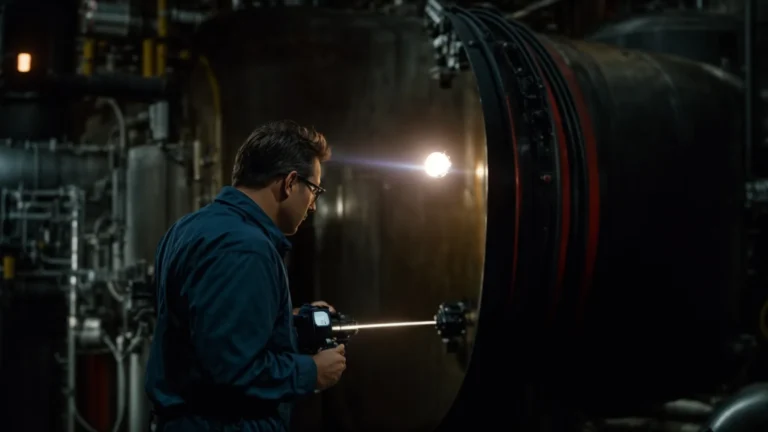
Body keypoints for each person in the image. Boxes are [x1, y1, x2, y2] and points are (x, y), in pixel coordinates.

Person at [145, 120, 347, 431]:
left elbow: (204, 328)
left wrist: (285, 322)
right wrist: (311, 372)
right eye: (315, 190)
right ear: (290, 182)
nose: (314, 206)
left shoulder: (189, 228)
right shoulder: (245, 247)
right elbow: (234, 369)